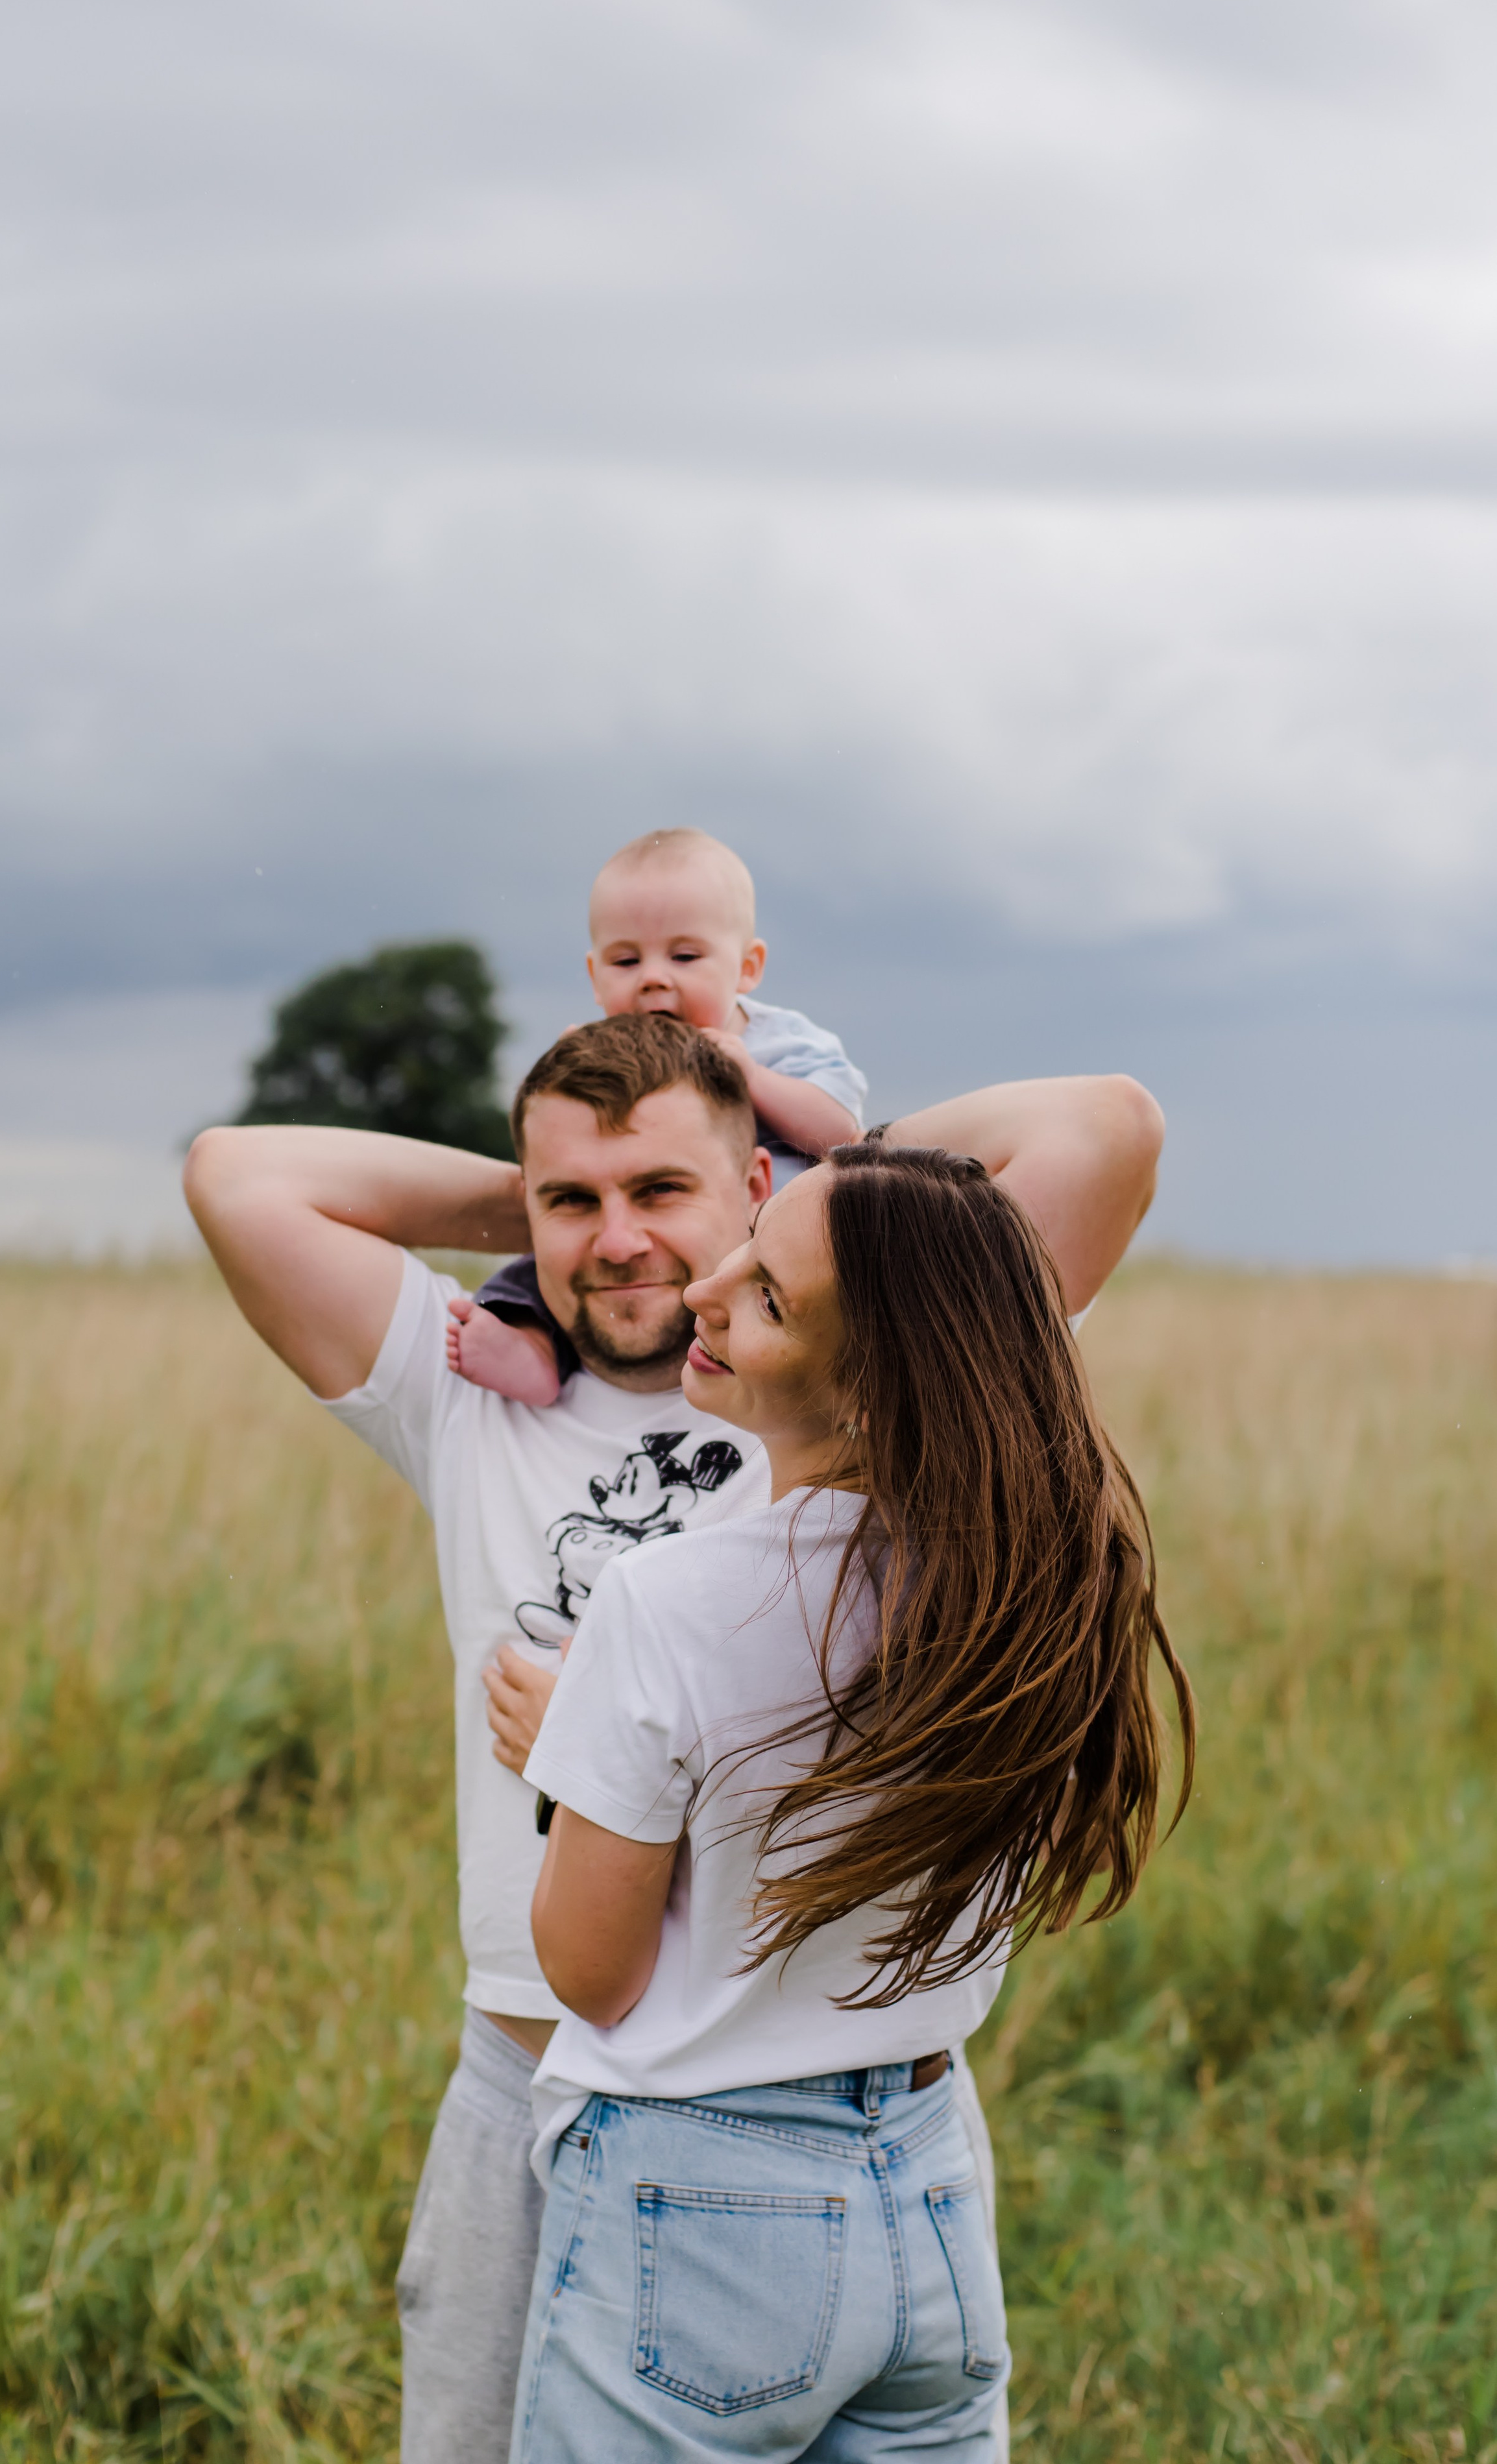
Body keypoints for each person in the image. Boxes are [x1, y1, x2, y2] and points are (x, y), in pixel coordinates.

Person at [182, 1013, 1165, 2464]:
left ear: (759, 1199)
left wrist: (796, 1166)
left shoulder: (893, 1373)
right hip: (541, 2063)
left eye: (664, 1194)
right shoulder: (469, 1390)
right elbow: (235, 1175)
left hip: (751, 2083)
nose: (621, 1242)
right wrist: (552, 1203)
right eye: (567, 1200)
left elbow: (1105, 1127)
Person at [514, 1141, 1195, 2458]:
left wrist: (569, 1769)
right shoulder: (1037, 1583)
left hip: (696, 2205)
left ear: (875, 1392)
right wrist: (874, 1202)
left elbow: (587, 1972)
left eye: (766, 1294)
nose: (706, 1289)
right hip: (927, 2181)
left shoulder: (669, 1598)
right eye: (747, 1240)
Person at [448, 825, 867, 1406]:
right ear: (595, 978)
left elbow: (842, 1132)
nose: (652, 976)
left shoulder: (781, 1041)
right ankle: (537, 1347)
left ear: (747, 967)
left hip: (775, 1218)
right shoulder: (610, 1048)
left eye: (685, 955)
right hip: (678, 1235)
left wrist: (755, 1079)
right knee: (547, 1262)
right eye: (626, 960)